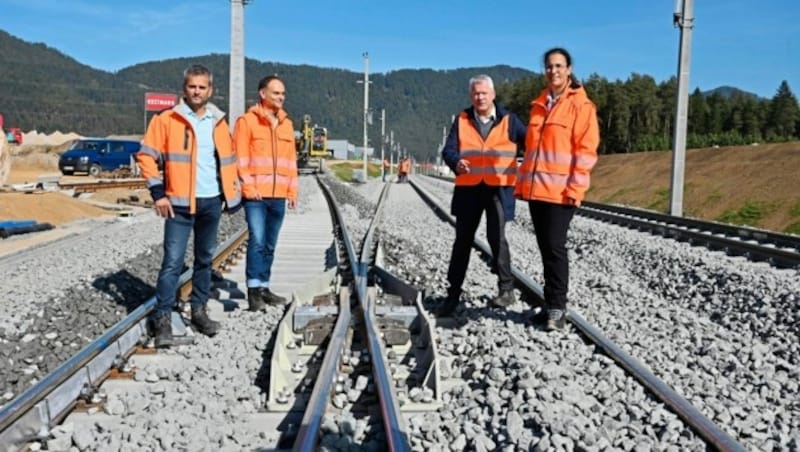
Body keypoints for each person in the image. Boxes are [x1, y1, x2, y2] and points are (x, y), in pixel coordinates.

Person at [137, 64, 242, 348]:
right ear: (185, 89)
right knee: (172, 262)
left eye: (202, 87)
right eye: (192, 86)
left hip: (211, 202)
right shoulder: (166, 120)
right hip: (178, 204)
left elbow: (228, 161)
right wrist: (158, 193)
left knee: (205, 260)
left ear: (211, 90)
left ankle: (199, 311)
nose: (197, 91)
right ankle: (162, 318)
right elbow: (146, 157)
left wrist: (230, 195)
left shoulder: (219, 122)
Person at [514, 48, 600, 331]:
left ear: (569, 69)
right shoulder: (539, 104)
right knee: (545, 247)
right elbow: (534, 151)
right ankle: (550, 303)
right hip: (538, 191)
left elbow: (585, 152)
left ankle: (557, 308)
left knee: (555, 247)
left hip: (562, 192)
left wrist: (576, 188)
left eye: (559, 66)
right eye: (549, 66)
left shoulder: (581, 106)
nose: (554, 71)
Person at [436, 74, 527, 316]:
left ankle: (506, 289)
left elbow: (531, 141)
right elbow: (449, 150)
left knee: (498, 239)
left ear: (493, 95)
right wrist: (457, 163)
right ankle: (452, 293)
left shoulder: (510, 121)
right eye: (476, 93)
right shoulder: (462, 120)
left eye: (484, 93)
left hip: (498, 189)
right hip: (469, 191)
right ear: (471, 96)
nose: (480, 97)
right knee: (462, 242)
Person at [234, 75, 298, 311]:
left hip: (279, 194)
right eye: (276, 93)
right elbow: (239, 158)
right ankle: (253, 291)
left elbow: (290, 161)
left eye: (282, 94)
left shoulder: (287, 124)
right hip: (256, 196)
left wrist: (292, 189)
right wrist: (248, 187)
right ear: (263, 94)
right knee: (257, 240)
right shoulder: (247, 122)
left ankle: (264, 285)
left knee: (270, 243)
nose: (281, 97)